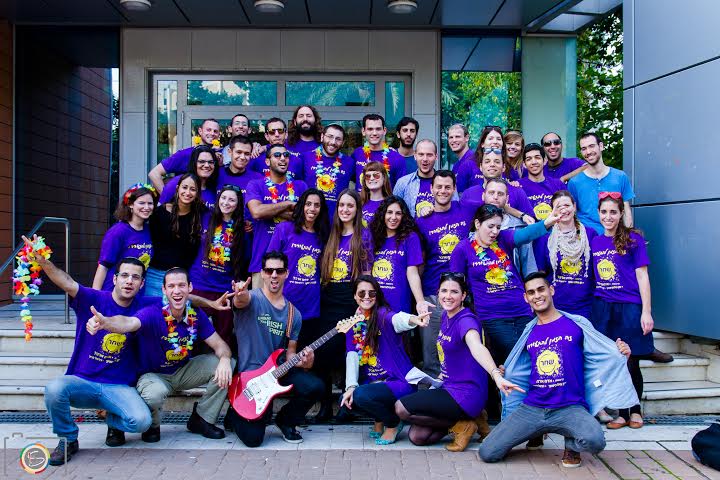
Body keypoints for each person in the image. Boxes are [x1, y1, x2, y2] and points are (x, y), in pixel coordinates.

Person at [478, 271, 638, 468]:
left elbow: (602, 353)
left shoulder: (576, 323)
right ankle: (535, 432)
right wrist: (506, 371)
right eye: (531, 292)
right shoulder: (529, 331)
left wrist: (620, 352)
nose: (537, 295)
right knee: (488, 452)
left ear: (551, 290)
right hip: (533, 408)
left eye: (541, 289)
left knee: (595, 441)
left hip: (570, 407)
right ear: (526, 298)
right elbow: (520, 368)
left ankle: (571, 444)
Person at [36, 249, 156, 465]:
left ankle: (109, 417)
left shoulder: (146, 306)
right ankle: (68, 438)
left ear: (142, 283)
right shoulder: (93, 298)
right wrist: (44, 263)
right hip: (83, 381)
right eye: (125, 275)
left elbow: (178, 298)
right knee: (54, 389)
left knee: (141, 422)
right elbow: (66, 282)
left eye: (135, 277)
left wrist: (211, 303)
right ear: (115, 279)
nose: (129, 281)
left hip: (119, 386)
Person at [86, 267, 234, 443]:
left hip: (182, 371)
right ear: (164, 289)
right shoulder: (153, 312)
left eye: (181, 285)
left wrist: (225, 358)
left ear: (190, 287)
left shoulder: (195, 314)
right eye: (171, 286)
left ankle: (202, 419)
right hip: (154, 376)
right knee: (154, 393)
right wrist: (106, 322)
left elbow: (220, 345)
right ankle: (153, 425)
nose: (177, 291)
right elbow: (128, 322)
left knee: (229, 364)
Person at [395, 273, 522, 452]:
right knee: (418, 437)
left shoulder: (466, 320)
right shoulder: (446, 316)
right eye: (444, 291)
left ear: (463, 296)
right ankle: (468, 421)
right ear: (438, 293)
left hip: (466, 393)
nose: (448, 296)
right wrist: (439, 377)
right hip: (449, 386)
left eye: (454, 292)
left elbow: (476, 346)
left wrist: (495, 375)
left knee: (401, 408)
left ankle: (464, 423)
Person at [226, 252, 322, 446]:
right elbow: (240, 301)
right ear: (262, 273)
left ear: (287, 273)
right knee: (253, 440)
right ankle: (234, 414)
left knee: (314, 386)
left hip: (277, 372)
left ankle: (286, 420)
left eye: (279, 271)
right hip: (249, 377)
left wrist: (305, 363)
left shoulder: (293, 314)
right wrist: (240, 293)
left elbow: (290, 353)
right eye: (269, 271)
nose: (274, 275)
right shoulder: (251, 299)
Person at [449, 204, 563, 367]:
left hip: (522, 310)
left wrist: (548, 222)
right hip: (493, 316)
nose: (495, 231)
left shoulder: (503, 239)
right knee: (517, 358)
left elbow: (525, 235)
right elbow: (456, 284)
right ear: (477, 224)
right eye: (490, 226)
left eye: (498, 226)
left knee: (534, 352)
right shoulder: (462, 249)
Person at [592, 194, 658, 429]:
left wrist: (646, 311)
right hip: (604, 309)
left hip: (629, 307)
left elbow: (643, 276)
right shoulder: (595, 242)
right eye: (604, 212)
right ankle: (621, 413)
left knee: (632, 360)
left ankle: (636, 410)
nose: (608, 217)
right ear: (598, 213)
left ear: (621, 214)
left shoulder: (633, 240)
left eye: (613, 212)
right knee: (615, 361)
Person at [341, 275, 429, 445]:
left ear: (377, 295)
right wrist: (350, 387)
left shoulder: (382, 314)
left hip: (398, 382)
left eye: (372, 293)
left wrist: (414, 319)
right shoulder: (353, 324)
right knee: (346, 401)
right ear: (355, 296)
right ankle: (379, 419)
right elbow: (352, 356)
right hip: (373, 382)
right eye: (362, 293)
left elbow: (397, 319)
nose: (367, 297)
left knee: (361, 396)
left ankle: (393, 423)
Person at [317, 189, 373, 420]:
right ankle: (324, 404)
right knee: (324, 350)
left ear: (357, 210)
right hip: (328, 297)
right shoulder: (330, 234)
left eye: (350, 205)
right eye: (341, 205)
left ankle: (347, 404)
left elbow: (367, 271)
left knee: (349, 351)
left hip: (351, 298)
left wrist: (364, 302)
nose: (345, 209)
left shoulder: (364, 236)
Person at [415, 170, 473, 378]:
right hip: (433, 291)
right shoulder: (422, 220)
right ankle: (433, 389)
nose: (443, 191)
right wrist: (419, 298)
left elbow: (494, 197)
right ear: (431, 189)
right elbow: (419, 260)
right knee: (432, 351)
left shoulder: (466, 209)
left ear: (454, 189)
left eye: (448, 187)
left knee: (460, 348)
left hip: (464, 292)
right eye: (438, 187)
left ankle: (458, 387)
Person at [267, 188, 330, 349]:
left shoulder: (323, 236)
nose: (312, 208)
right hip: (285, 301)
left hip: (310, 304)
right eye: (308, 204)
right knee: (277, 352)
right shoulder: (284, 229)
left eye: (317, 205)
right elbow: (269, 264)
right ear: (302, 205)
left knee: (302, 354)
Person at [188, 186, 245, 350]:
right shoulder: (205, 217)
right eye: (223, 198)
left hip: (224, 288)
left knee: (223, 335)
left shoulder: (242, 229)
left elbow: (242, 259)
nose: (226, 203)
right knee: (192, 331)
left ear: (238, 204)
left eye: (232, 200)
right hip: (199, 283)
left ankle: (223, 364)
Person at [246, 144, 308, 288]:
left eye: (286, 155)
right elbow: (257, 212)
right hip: (262, 263)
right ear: (267, 161)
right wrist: (287, 203)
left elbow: (304, 217)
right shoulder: (256, 185)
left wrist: (268, 211)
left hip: (293, 264)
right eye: (277, 155)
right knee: (261, 303)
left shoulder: (300, 186)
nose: (283, 158)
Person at [534, 190, 597, 320]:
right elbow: (541, 274)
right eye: (558, 207)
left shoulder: (590, 235)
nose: (563, 210)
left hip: (586, 305)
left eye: (567, 205)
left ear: (574, 207)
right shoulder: (544, 239)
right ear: (553, 211)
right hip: (555, 305)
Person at [146, 173, 204, 296]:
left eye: (193, 189)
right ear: (177, 188)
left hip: (183, 278)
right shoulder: (159, 213)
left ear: (197, 193)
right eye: (185, 187)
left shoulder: (201, 215)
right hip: (156, 275)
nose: (188, 192)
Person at [368, 196, 428, 314]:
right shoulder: (372, 237)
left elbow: (412, 272)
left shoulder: (410, 238)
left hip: (399, 305)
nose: (393, 217)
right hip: (374, 304)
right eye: (389, 212)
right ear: (383, 214)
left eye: (398, 213)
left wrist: (420, 301)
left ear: (403, 216)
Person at [93, 183, 156, 291]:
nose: (146, 207)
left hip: (136, 293)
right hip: (113, 292)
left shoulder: (149, 230)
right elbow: (103, 266)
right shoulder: (117, 231)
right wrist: (95, 296)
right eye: (141, 203)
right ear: (130, 204)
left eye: (150, 203)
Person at [568, 132, 634, 234]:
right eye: (584, 148)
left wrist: (629, 236)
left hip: (615, 237)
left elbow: (626, 212)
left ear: (601, 146)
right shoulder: (574, 182)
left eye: (591, 146)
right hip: (587, 238)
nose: (588, 152)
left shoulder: (620, 177)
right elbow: (572, 216)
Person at [148, 118, 221, 193]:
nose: (212, 133)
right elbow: (154, 173)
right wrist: (167, 197)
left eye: (215, 131)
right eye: (208, 130)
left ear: (219, 134)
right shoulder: (184, 154)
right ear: (200, 131)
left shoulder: (219, 156)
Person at [458, 150, 534, 218]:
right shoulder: (468, 194)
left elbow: (531, 221)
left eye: (497, 162)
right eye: (487, 161)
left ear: (504, 167)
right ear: (480, 167)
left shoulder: (517, 192)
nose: (492, 164)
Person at [393, 139, 454, 218]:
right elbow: (394, 211)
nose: (425, 159)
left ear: (436, 157)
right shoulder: (403, 183)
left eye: (429, 155)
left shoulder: (447, 183)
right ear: (415, 156)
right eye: (421, 154)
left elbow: (454, 210)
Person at [302, 124, 354, 216]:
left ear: (343, 142)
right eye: (330, 137)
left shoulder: (349, 162)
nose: (333, 142)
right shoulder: (306, 158)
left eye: (338, 139)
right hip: (310, 217)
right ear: (322, 137)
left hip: (337, 218)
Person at [353, 114, 406, 191]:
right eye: (370, 129)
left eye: (378, 129)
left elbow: (401, 189)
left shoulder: (396, 158)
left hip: (386, 199)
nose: (374, 133)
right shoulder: (357, 154)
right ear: (363, 131)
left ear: (384, 131)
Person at [518, 143, 566, 220]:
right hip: (529, 227)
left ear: (545, 161)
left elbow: (566, 209)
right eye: (529, 159)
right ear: (524, 164)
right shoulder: (517, 186)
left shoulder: (558, 184)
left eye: (537, 157)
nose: (534, 162)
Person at [455, 125, 504, 193]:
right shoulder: (468, 164)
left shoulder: (507, 165)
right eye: (490, 138)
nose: (495, 142)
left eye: (498, 139)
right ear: (482, 144)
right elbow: (460, 192)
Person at [359, 161, 392, 227]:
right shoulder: (358, 203)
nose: (371, 178)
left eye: (376, 175)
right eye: (368, 176)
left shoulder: (392, 204)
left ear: (384, 177)